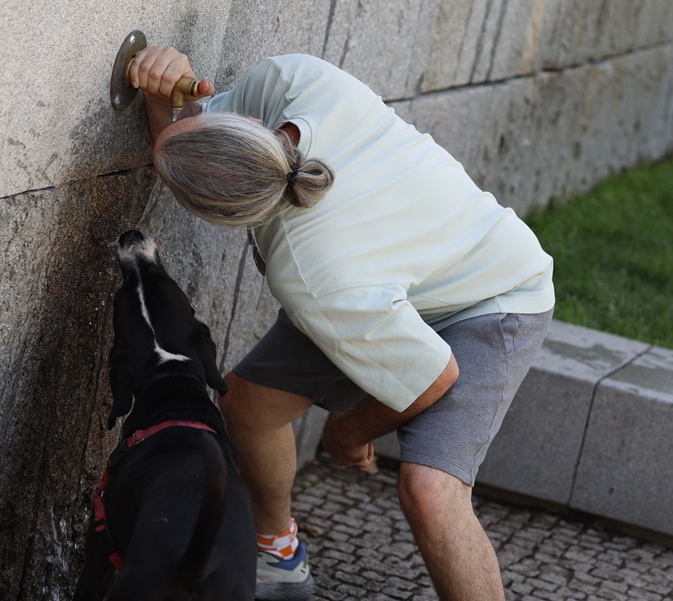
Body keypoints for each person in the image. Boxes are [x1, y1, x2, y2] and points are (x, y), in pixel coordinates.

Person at [127, 46, 555, 601]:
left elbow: (435, 377)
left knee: (430, 489)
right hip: (383, 280)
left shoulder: (314, 276)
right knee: (249, 410)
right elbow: (188, 138)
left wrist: (345, 436)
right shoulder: (297, 86)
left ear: (236, 220)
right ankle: (277, 554)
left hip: (495, 294)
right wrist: (161, 91)